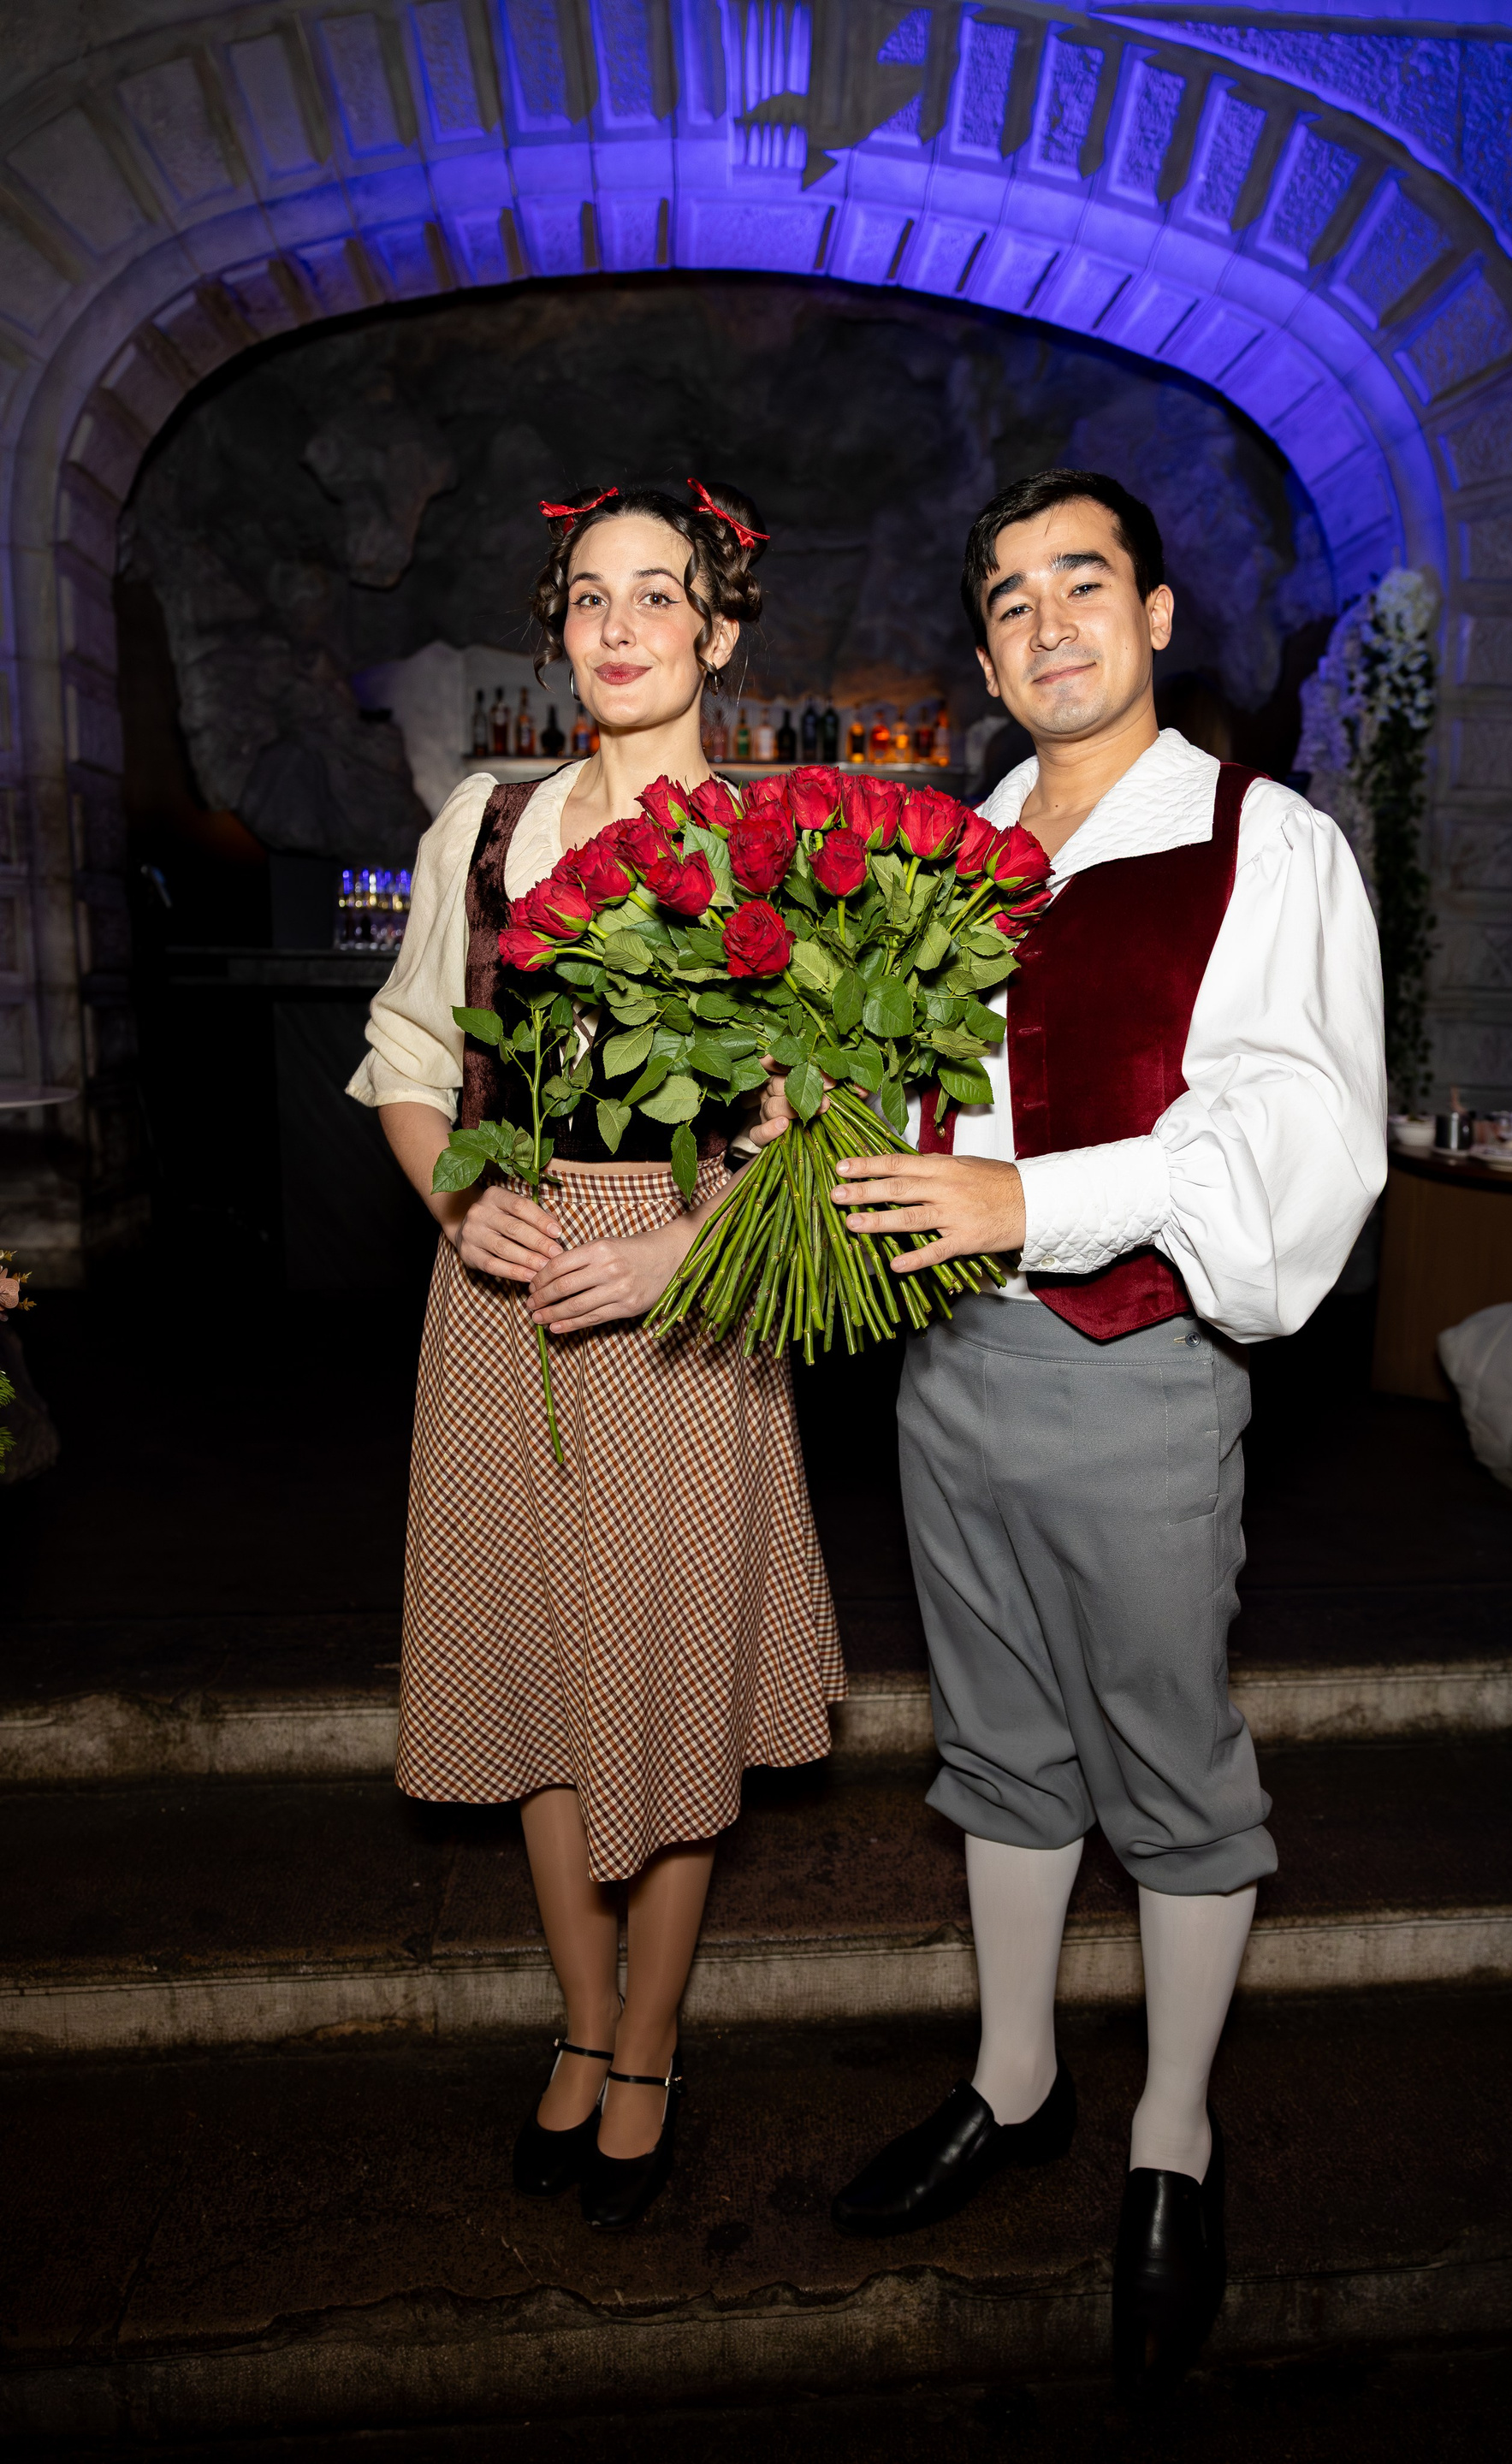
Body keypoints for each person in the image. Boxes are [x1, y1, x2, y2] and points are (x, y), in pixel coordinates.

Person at [761, 469, 1385, 2396]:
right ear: (982, 653)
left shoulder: (1263, 843)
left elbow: (1292, 1144)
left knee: (1171, 1768)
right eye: (1013, 599)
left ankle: (1173, 2138)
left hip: (1136, 1372)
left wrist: (1032, 1202)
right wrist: (817, 1118)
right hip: (949, 1372)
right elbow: (928, 1105)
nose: (1049, 623)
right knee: (1003, 1748)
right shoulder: (955, 854)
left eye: (1083, 581)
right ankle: (1014, 2080)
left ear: (1158, 613)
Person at [347, 482, 842, 2230]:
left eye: (657, 593)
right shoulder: (485, 827)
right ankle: (576, 2018)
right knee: (544, 1674)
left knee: (673, 1675)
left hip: (693, 1295)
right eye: (585, 596)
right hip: (505, 1297)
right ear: (558, 630)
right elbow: (411, 1056)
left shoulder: (786, 847)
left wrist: (674, 1254)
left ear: (720, 627)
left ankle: (649, 2039)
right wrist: (456, 1200)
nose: (618, 626)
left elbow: (818, 1133)